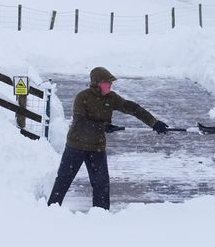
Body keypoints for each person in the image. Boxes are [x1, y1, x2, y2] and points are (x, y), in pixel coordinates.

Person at [47, 67, 168, 210]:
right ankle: (50, 212)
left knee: (101, 185)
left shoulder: (111, 98)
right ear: (97, 83)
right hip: (76, 146)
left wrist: (154, 122)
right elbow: (80, 122)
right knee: (63, 181)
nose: (110, 85)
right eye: (107, 82)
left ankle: (101, 217)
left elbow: (132, 108)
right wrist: (103, 127)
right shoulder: (82, 97)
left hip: (96, 148)